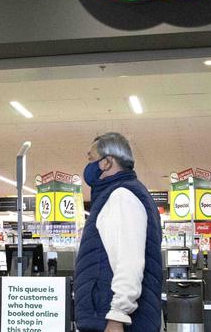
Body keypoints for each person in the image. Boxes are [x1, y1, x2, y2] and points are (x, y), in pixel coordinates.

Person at [74, 132, 162, 332]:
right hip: (108, 318)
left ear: (106, 162)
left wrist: (117, 316)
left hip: (111, 321)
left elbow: (129, 261)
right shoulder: (121, 194)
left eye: (91, 158)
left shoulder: (121, 196)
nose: (88, 165)